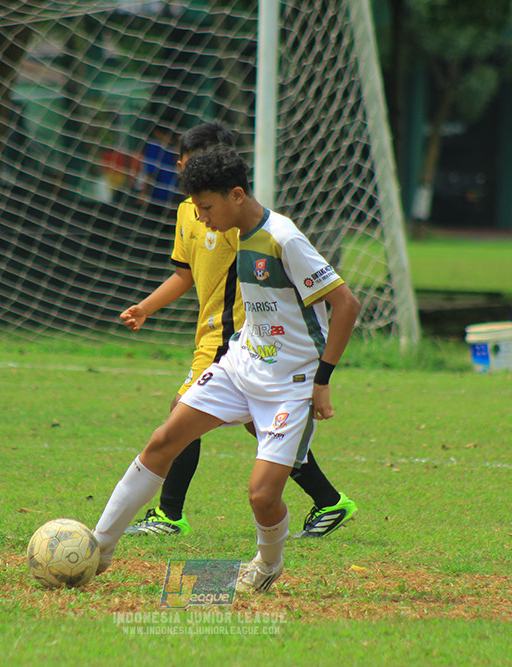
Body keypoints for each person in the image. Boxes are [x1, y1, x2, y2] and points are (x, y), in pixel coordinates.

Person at [93, 145, 361, 592]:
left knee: (262, 495)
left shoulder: (284, 238)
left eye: (206, 207)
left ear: (237, 195)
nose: (200, 218)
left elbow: (346, 304)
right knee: (164, 439)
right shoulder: (235, 231)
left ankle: (268, 563)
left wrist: (322, 381)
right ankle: (98, 548)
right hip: (240, 366)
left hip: (288, 385)